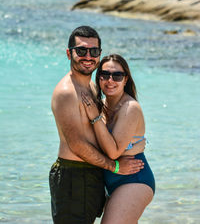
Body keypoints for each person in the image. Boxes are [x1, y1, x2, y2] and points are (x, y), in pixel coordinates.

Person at [49, 26, 145, 224]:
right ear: (69, 53)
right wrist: (114, 166)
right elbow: (76, 144)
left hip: (93, 174)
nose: (88, 56)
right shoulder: (67, 92)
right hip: (74, 175)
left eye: (94, 51)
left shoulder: (92, 86)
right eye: (81, 50)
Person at [82, 54, 155, 224]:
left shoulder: (130, 108)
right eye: (105, 74)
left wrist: (95, 118)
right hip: (110, 179)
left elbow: (114, 152)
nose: (110, 80)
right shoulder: (100, 104)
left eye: (117, 76)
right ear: (98, 77)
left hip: (134, 179)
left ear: (125, 79)